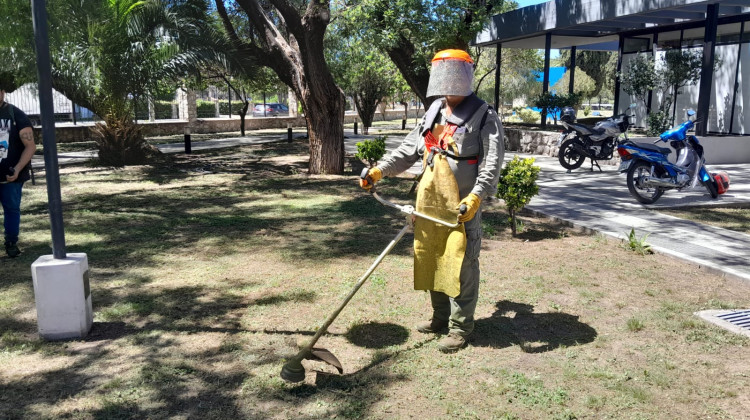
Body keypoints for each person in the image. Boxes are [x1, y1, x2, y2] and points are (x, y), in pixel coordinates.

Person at [359, 49, 505, 352]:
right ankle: (440, 317)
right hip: (429, 205)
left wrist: (476, 198)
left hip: (461, 208)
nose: (448, 82)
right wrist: (378, 171)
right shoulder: (434, 111)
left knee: (462, 264)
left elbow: (491, 163)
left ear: (464, 76)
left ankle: (460, 328)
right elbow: (408, 150)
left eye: (454, 73)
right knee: (432, 258)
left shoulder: (483, 114)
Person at [0, 74, 36, 258]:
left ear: (3, 93)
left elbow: (30, 146)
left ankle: (11, 242)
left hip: (11, 176)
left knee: (12, 209)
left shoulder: (16, 114)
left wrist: (19, 168)